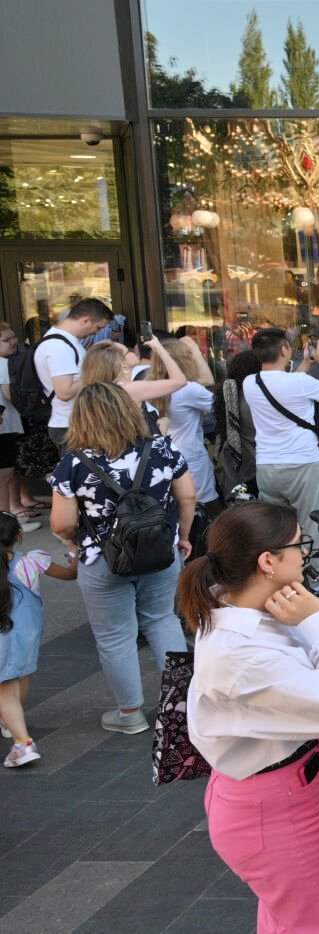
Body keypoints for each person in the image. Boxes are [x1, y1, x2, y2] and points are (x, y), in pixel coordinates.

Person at [179, 501, 319, 934]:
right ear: (267, 562)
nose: (305, 555)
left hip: (280, 799)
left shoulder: (245, 606)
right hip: (274, 812)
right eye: (298, 546)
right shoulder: (239, 652)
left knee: (296, 921)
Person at [50, 382, 197, 734]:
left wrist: (74, 543)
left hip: (103, 560)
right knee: (162, 620)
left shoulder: (73, 463)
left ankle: (129, 713)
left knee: (115, 636)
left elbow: (62, 522)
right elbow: (188, 496)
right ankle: (184, 706)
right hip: (160, 552)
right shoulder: (161, 448)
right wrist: (183, 537)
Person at [244, 327, 319, 547]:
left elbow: (286, 386)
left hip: (267, 467)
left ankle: (283, 567)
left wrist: (306, 363)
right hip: (303, 464)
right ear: (284, 350)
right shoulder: (298, 383)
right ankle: (314, 570)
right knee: (313, 528)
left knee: (277, 530)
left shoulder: (250, 382)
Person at [1, 512, 77, 767]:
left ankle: (22, 744)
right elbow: (70, 574)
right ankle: (10, 721)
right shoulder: (32, 561)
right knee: (20, 676)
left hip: (3, 633)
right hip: (29, 631)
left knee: (4, 688)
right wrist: (74, 555)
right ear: (18, 536)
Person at [146, 334, 221, 524]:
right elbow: (219, 404)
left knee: (174, 512)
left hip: (161, 459)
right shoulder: (188, 390)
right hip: (190, 459)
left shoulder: (149, 386)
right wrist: (196, 351)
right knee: (205, 512)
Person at [34, 296, 113, 448]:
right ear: (86, 320)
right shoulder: (59, 347)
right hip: (70, 425)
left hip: (74, 422)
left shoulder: (64, 342)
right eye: (98, 327)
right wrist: (97, 374)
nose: (97, 333)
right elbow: (64, 392)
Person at [0, 324, 37, 527]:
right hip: (4, 425)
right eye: (6, 340)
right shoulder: (2, 363)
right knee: (4, 475)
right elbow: (9, 395)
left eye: (13, 337)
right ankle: (8, 524)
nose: (13, 342)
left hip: (5, 424)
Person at [217, 348, 261, 500]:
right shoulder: (254, 397)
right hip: (254, 464)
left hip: (235, 462)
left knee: (241, 499)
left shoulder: (227, 392)